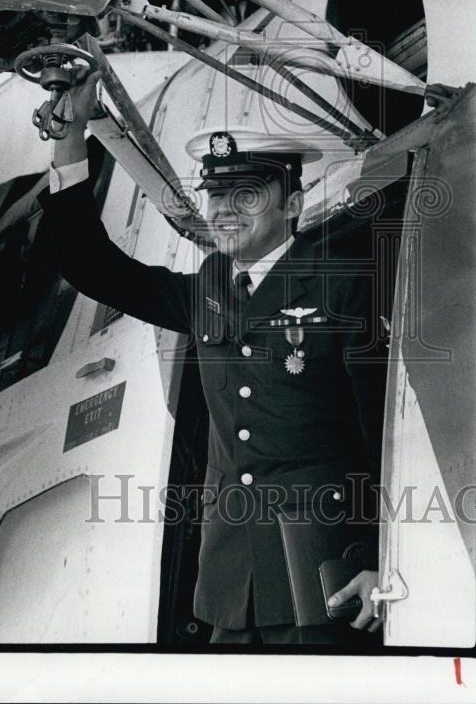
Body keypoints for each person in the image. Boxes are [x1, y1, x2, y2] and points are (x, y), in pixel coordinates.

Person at [39, 69, 393, 646]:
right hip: (231, 585)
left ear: (293, 203)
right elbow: (89, 264)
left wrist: (386, 556)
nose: (224, 209)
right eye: (216, 194)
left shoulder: (343, 289)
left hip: (327, 575)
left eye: (246, 195)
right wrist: (69, 135)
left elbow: (386, 433)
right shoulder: (209, 290)